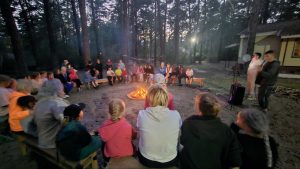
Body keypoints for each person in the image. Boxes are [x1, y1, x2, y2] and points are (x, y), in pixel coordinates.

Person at [180, 93, 241, 169]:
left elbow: (181, 145)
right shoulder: (227, 131)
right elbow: (235, 163)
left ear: (199, 108)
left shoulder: (188, 124)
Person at [137, 85, 181, 168]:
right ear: (166, 99)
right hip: (170, 160)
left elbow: (139, 130)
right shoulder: (176, 115)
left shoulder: (141, 114)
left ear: (149, 99)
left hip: (146, 160)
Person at [33, 78, 70, 148]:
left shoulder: (39, 102)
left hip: (43, 139)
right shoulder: (58, 104)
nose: (64, 92)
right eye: (62, 89)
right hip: (53, 142)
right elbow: (69, 123)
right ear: (57, 90)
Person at [98, 99, 136, 163]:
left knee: (103, 143)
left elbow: (103, 137)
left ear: (109, 112)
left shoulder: (104, 126)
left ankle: (105, 161)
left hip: (110, 155)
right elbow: (134, 136)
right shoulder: (128, 126)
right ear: (123, 111)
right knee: (132, 144)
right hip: (126, 154)